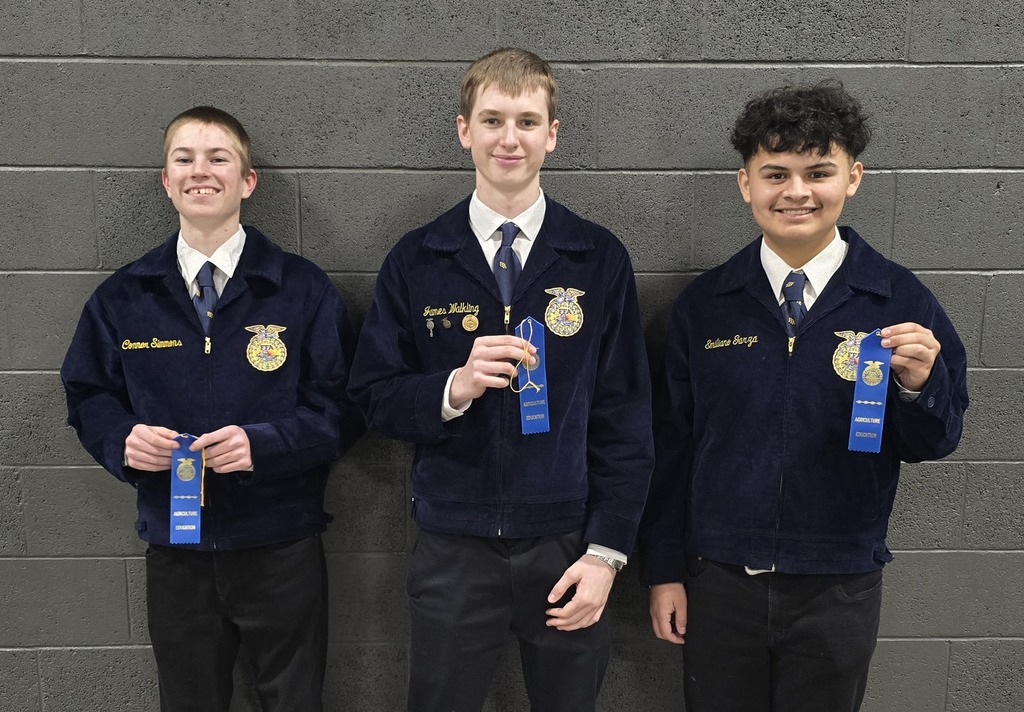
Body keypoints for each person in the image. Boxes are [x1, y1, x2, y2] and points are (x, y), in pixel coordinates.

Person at [638, 81, 969, 712]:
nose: (796, 192)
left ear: (853, 177)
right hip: (720, 582)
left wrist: (920, 387)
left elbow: (935, 440)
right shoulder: (705, 307)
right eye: (776, 173)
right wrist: (665, 570)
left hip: (837, 586)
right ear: (746, 184)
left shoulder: (899, 302)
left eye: (818, 172)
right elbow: (672, 448)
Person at [348, 48, 654, 711]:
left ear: (552, 133)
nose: (508, 138)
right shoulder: (418, 258)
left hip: (566, 546)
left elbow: (626, 418)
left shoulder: (597, 257)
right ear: (464, 131)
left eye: (526, 120)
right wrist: (451, 389)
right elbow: (372, 396)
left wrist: (606, 554)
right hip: (454, 547)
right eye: (491, 120)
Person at [61, 106, 363, 712]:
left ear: (247, 181)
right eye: (184, 159)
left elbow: (346, 405)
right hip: (176, 550)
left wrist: (267, 445)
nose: (201, 171)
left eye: (218, 158)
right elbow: (88, 393)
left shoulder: (300, 288)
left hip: (281, 545)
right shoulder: (125, 296)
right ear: (166, 181)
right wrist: (120, 440)